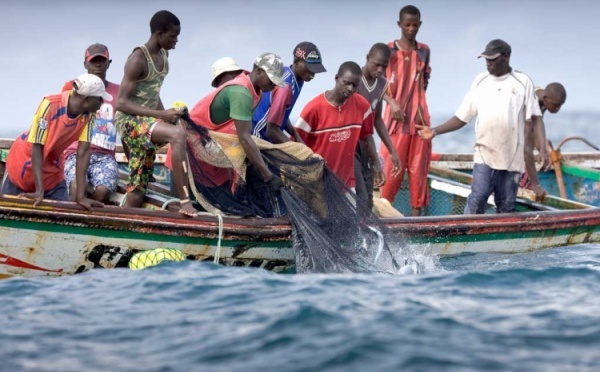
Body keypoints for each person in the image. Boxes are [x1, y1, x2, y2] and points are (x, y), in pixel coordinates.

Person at [417, 39, 547, 214]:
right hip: (485, 153)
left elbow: (536, 118)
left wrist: (543, 149)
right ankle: (465, 235)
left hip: (512, 157)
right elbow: (462, 117)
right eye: (486, 59)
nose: (488, 63)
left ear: (506, 56)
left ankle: (502, 239)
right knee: (478, 196)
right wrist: (434, 131)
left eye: (493, 59)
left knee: (506, 205)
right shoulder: (480, 81)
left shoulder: (523, 82)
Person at [114, 10, 199, 217]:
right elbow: (121, 103)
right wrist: (160, 115)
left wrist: (164, 114)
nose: (176, 41)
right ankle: (185, 200)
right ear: (159, 33)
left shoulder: (163, 54)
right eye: (173, 36)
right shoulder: (137, 59)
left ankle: (122, 229)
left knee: (136, 193)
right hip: (128, 122)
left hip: (147, 123)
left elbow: (153, 92)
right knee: (176, 134)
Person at [1, 74, 111, 211]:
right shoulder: (50, 104)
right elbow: (37, 146)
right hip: (24, 162)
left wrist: (81, 196)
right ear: (86, 98)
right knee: (9, 211)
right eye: (99, 99)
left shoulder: (90, 114)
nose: (101, 103)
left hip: (52, 166)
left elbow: (83, 152)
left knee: (62, 212)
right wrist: (39, 190)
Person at [187, 52, 286, 197]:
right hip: (193, 148)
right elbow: (244, 138)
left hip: (216, 150)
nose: (273, 85)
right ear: (258, 71)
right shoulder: (241, 93)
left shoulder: (255, 90)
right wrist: (268, 176)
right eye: (271, 80)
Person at [380, 5, 432, 216]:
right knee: (392, 169)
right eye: (407, 25)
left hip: (420, 121)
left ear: (420, 25)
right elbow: (374, 82)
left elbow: (425, 80)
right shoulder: (388, 50)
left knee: (419, 171)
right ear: (399, 24)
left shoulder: (424, 50)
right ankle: (384, 216)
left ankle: (416, 221)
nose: (411, 29)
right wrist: (392, 102)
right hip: (395, 122)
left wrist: (416, 103)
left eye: (415, 25)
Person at [294, 61, 376, 192]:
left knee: (355, 209)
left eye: (355, 85)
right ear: (337, 78)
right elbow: (295, 144)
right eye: (346, 83)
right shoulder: (314, 109)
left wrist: (377, 164)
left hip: (347, 186)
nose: (350, 88)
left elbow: (367, 138)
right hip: (317, 186)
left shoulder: (362, 106)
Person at [62, 43, 120, 204]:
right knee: (76, 188)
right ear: (85, 64)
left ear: (109, 63)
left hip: (105, 156)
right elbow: (61, 122)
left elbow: (126, 126)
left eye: (102, 60)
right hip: (75, 152)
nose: (98, 64)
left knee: (102, 192)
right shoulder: (72, 87)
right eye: (94, 61)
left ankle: (87, 220)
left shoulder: (120, 92)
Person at [251, 42, 326, 144]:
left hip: (267, 139)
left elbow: (282, 113)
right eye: (309, 69)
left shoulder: (299, 79)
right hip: (257, 137)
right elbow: (271, 130)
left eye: (314, 70)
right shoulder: (285, 86)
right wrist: (295, 147)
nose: (312, 74)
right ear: (296, 62)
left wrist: (295, 135)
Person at [355, 42, 401, 210]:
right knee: (358, 194)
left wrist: (392, 151)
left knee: (367, 199)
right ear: (367, 58)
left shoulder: (382, 83)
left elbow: (377, 119)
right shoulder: (354, 80)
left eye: (385, 66)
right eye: (377, 64)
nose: (380, 69)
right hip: (351, 146)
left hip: (367, 144)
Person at [522, 82, 567, 200]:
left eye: (560, 106)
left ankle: (528, 182)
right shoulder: (530, 101)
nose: (557, 109)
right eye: (556, 105)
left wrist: (543, 149)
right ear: (546, 99)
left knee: (541, 147)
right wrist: (541, 148)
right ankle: (527, 184)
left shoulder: (543, 99)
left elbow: (538, 125)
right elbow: (527, 135)